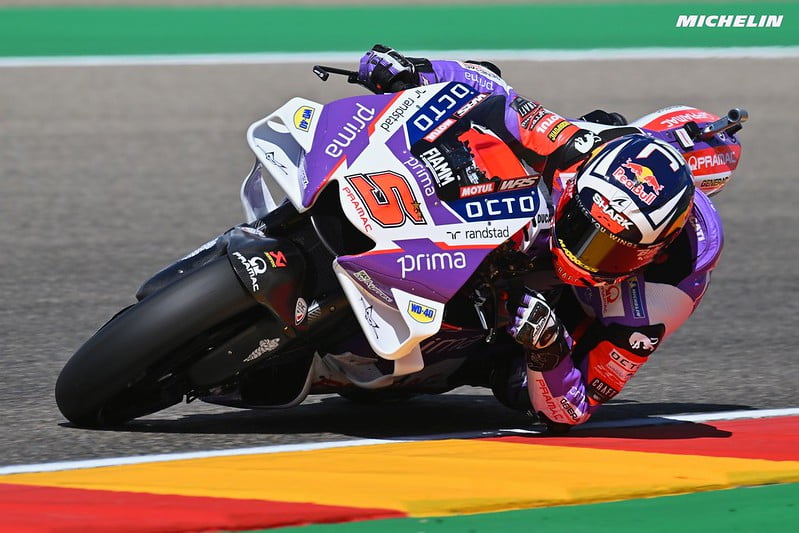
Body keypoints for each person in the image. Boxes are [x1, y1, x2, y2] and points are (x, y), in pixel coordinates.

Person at [356, 45, 725, 430]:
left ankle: (452, 359)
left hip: (565, 313)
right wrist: (417, 73)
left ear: (654, 254)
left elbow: (574, 409)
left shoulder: (661, 301)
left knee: (518, 383)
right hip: (537, 211)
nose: (582, 255)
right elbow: (494, 90)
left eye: (611, 251)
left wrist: (548, 348)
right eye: (582, 228)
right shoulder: (575, 148)